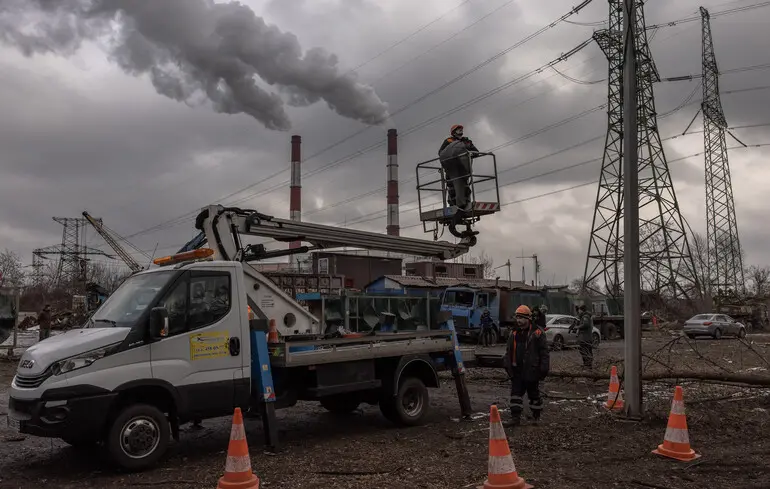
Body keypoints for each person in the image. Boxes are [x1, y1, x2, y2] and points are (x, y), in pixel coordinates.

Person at [503, 305, 550, 427]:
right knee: (515, 394)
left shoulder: (538, 332)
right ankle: (515, 418)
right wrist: (507, 364)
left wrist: (544, 368)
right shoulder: (514, 333)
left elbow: (544, 352)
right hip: (517, 370)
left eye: (521, 318)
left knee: (533, 394)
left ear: (528, 318)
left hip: (532, 370)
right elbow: (508, 350)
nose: (518, 320)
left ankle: (536, 416)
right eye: (517, 317)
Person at [438, 124, 480, 212]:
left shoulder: (466, 141)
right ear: (453, 132)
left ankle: (465, 202)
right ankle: (453, 203)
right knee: (452, 187)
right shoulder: (448, 141)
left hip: (463, 169)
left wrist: (471, 153)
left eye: (461, 130)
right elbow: (441, 153)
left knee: (465, 187)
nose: (461, 131)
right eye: (458, 130)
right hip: (452, 169)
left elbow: (476, 152)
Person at [576, 304, 594, 369]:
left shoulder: (585, 316)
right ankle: (587, 364)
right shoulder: (585, 316)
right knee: (587, 351)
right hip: (586, 338)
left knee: (585, 351)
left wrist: (577, 327)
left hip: (585, 338)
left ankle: (587, 365)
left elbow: (586, 324)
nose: (578, 311)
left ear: (581, 310)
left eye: (579, 310)